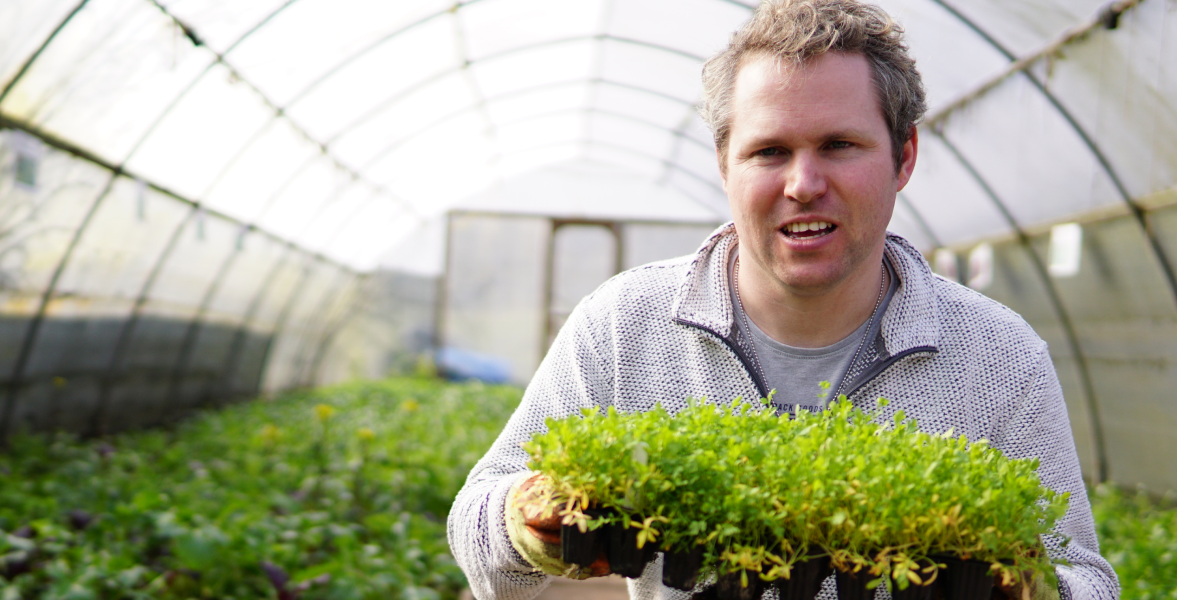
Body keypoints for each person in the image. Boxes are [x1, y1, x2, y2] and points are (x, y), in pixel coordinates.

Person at [445, 0, 1120, 599]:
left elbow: (1087, 577)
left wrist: (1024, 588)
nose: (803, 183)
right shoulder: (625, 324)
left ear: (903, 157)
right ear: (725, 164)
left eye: (839, 145)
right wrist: (529, 519)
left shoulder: (997, 355)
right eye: (769, 151)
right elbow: (478, 542)